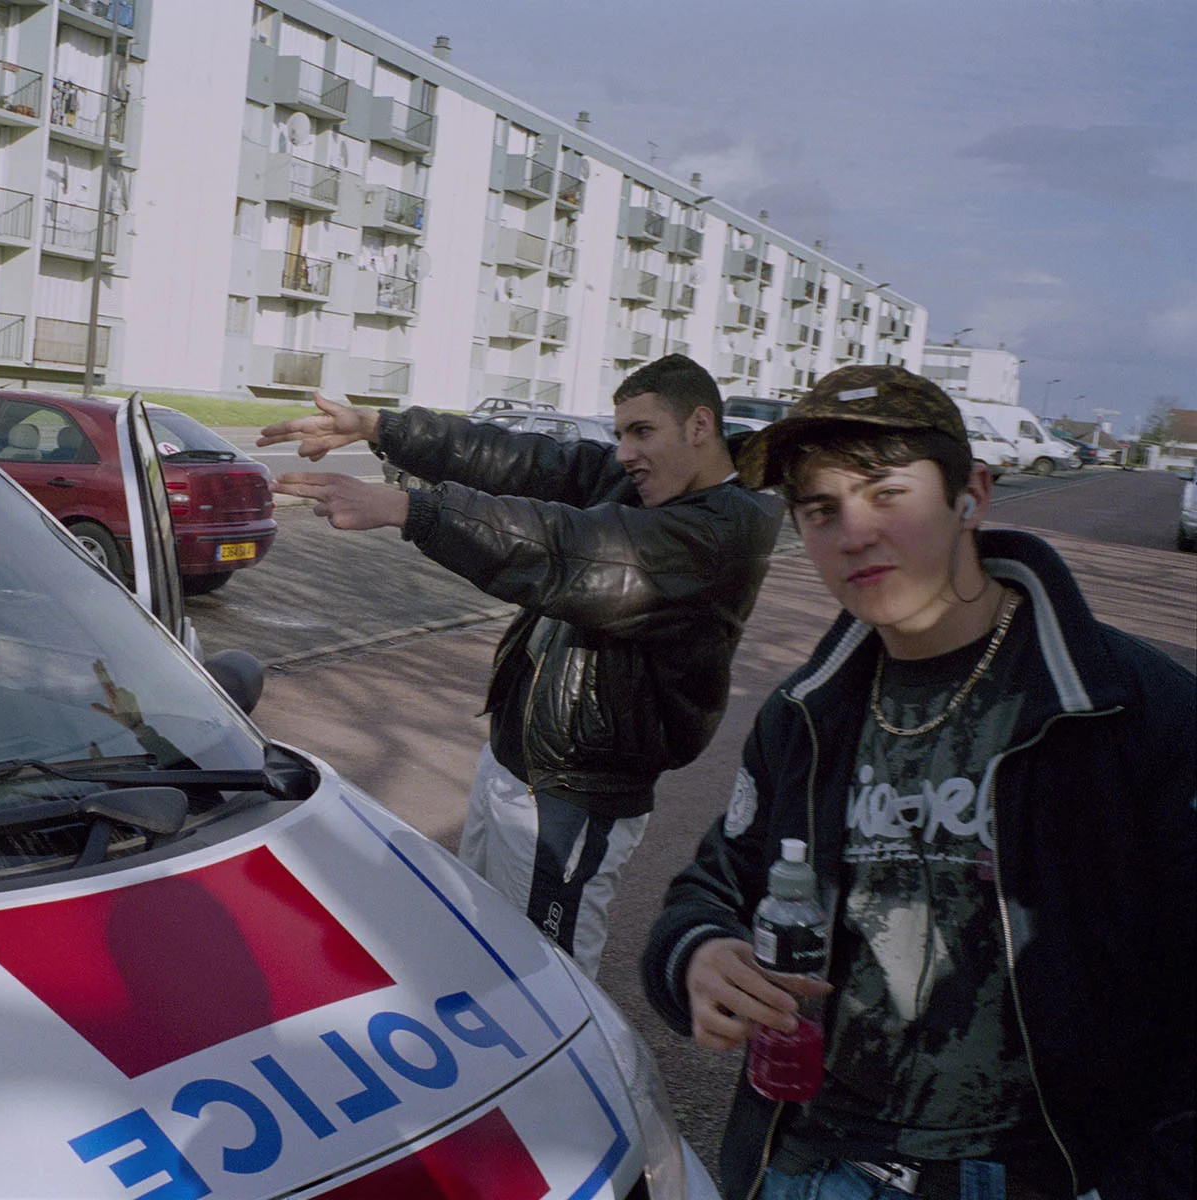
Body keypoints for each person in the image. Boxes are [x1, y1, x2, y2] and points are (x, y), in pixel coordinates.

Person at [640, 364, 1195, 1200]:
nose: (853, 534)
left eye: (886, 493)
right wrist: (699, 956)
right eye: (820, 510)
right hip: (809, 1166)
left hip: (1034, 1176)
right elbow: (713, 887)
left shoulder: (1128, 709)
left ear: (971, 492)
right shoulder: (804, 716)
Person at [258, 354, 782, 978]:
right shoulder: (646, 484)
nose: (623, 453)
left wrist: (410, 510)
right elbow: (518, 458)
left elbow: (569, 552)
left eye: (642, 431)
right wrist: (378, 427)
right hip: (520, 760)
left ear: (700, 425)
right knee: (483, 952)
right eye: (619, 434)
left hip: (571, 794)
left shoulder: (719, 531)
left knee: (546, 981)